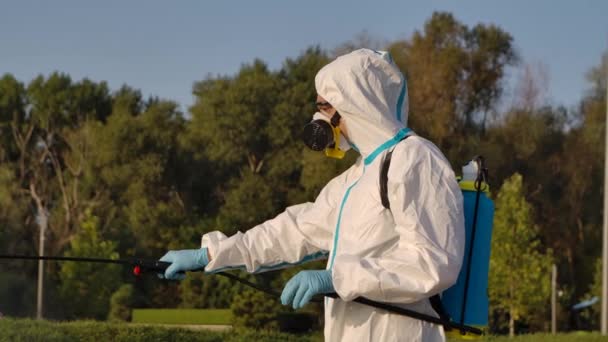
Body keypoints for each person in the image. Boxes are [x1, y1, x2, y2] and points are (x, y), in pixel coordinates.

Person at [159, 49, 465, 342]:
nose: (317, 118)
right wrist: (212, 255)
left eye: (324, 107)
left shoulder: (415, 160)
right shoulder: (358, 177)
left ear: (355, 104)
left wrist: (337, 278)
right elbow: (295, 231)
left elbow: (432, 263)